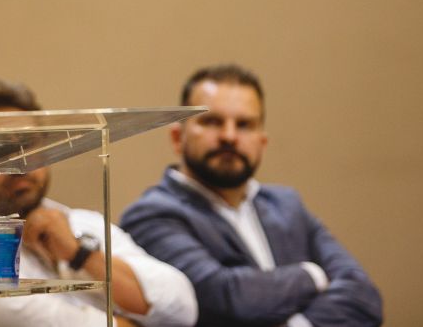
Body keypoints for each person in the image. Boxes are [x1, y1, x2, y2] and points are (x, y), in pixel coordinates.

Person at [0, 80, 197, 327]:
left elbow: (183, 308)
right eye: (0, 150)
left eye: (30, 146)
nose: (21, 165)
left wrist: (80, 253)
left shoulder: (83, 223)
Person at [120, 64, 383, 327]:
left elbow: (364, 299)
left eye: (244, 124)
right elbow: (225, 298)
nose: (229, 136)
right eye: (212, 121)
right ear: (178, 137)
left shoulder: (286, 205)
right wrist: (312, 275)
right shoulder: (151, 215)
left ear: (262, 141)